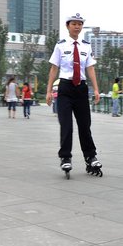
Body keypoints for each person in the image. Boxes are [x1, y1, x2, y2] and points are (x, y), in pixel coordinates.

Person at [45, 13, 102, 178]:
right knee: (66, 125)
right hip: (65, 88)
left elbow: (90, 68)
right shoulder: (60, 45)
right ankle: (65, 157)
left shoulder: (86, 46)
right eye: (74, 24)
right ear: (68, 26)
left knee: (85, 125)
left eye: (80, 24)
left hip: (81, 89)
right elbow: (54, 68)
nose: (77, 26)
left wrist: (96, 89)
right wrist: (49, 90)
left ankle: (90, 157)